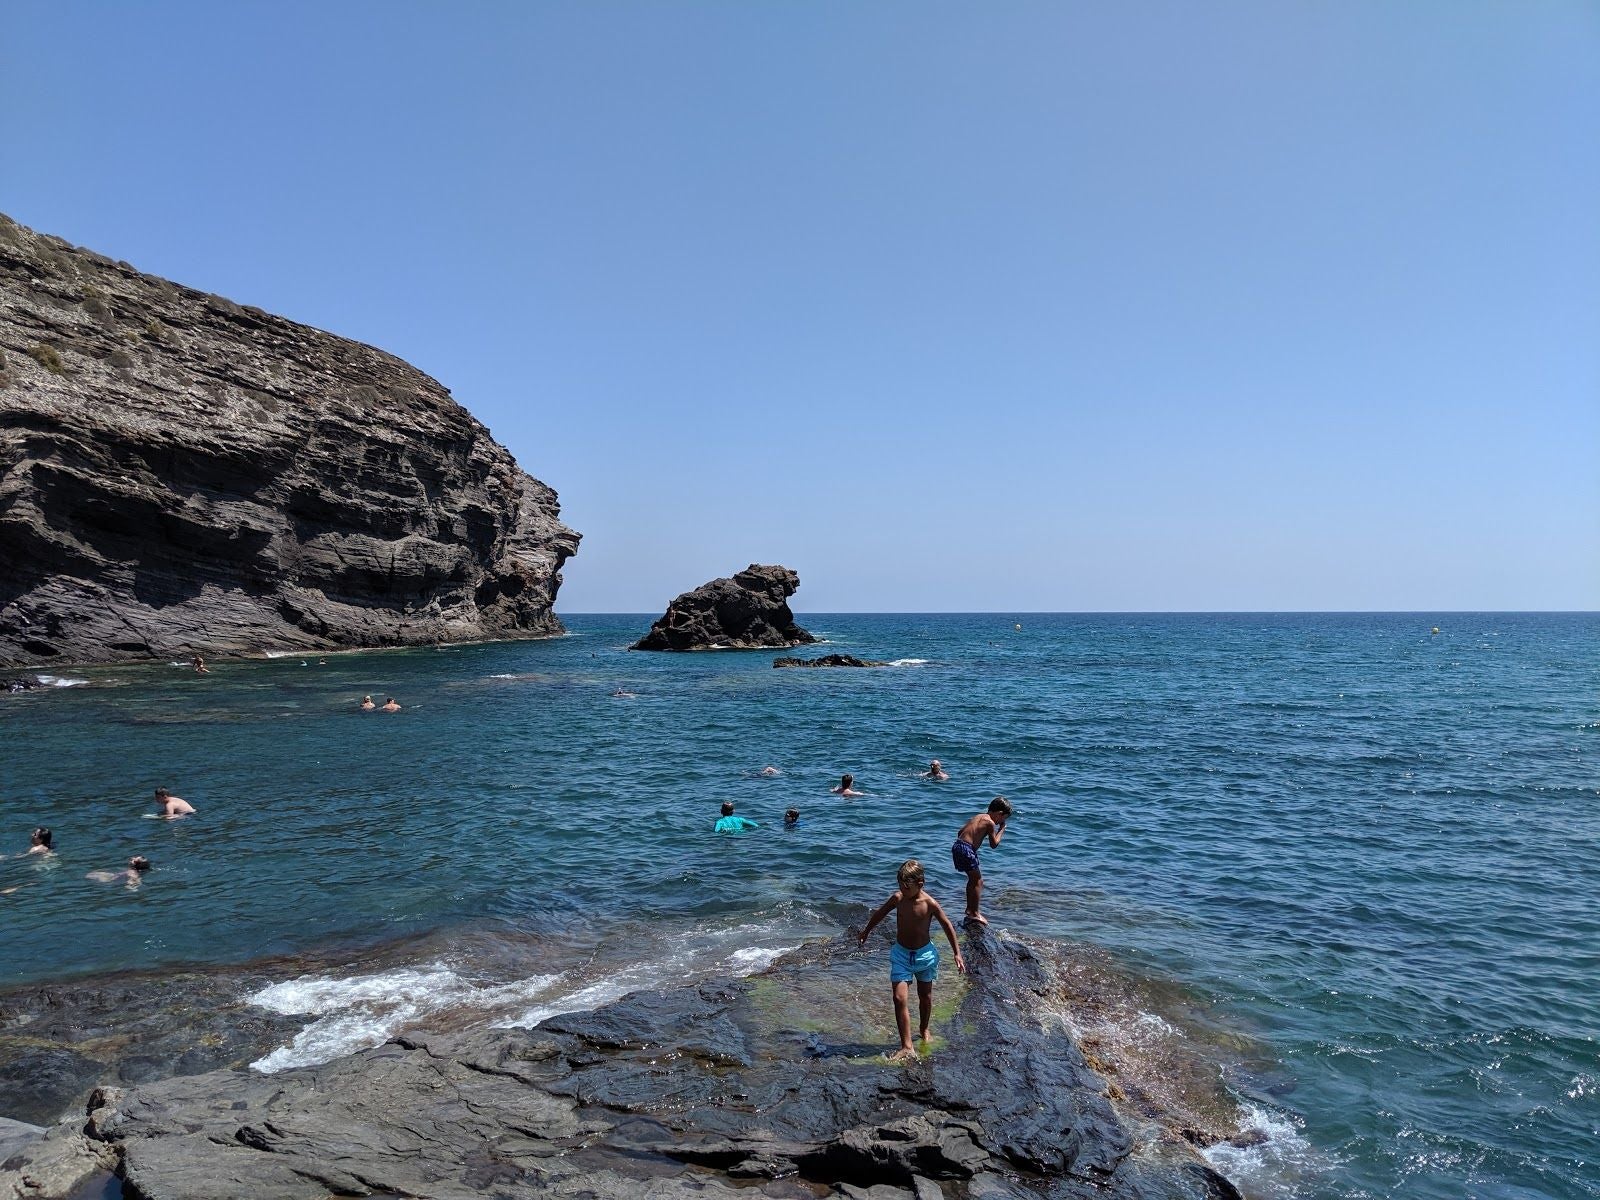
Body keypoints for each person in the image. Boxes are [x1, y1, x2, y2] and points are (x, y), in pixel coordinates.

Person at [858, 859, 965, 1061]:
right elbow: (880, 913)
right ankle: (906, 1046)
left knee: (925, 997)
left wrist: (957, 953)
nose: (902, 890)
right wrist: (866, 931)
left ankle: (924, 1029)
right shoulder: (898, 899)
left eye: (907, 887)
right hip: (901, 955)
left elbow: (947, 926)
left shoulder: (930, 904)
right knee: (899, 998)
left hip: (925, 956)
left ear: (920, 884)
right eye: (900, 886)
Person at [952, 797, 1012, 925]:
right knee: (978, 881)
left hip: (958, 845)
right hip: (967, 849)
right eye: (1003, 818)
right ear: (999, 814)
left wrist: (969, 844)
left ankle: (969, 910)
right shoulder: (990, 823)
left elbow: (960, 832)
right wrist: (1002, 830)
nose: (1002, 821)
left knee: (972, 880)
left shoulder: (978, 816)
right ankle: (974, 913)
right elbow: (994, 844)